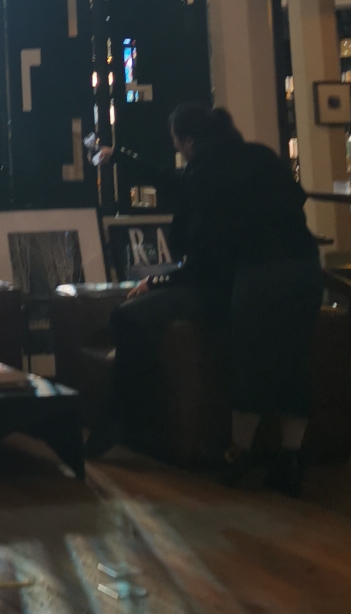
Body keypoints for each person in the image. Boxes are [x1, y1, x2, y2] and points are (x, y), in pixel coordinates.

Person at [90, 103, 323, 494]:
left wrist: (160, 282)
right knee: (293, 361)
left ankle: (238, 452)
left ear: (189, 142)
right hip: (304, 268)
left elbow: (208, 255)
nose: (177, 152)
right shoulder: (259, 157)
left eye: (177, 144)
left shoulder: (203, 177)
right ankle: (292, 457)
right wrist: (120, 157)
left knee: (249, 362)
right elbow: (292, 199)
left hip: (254, 277)